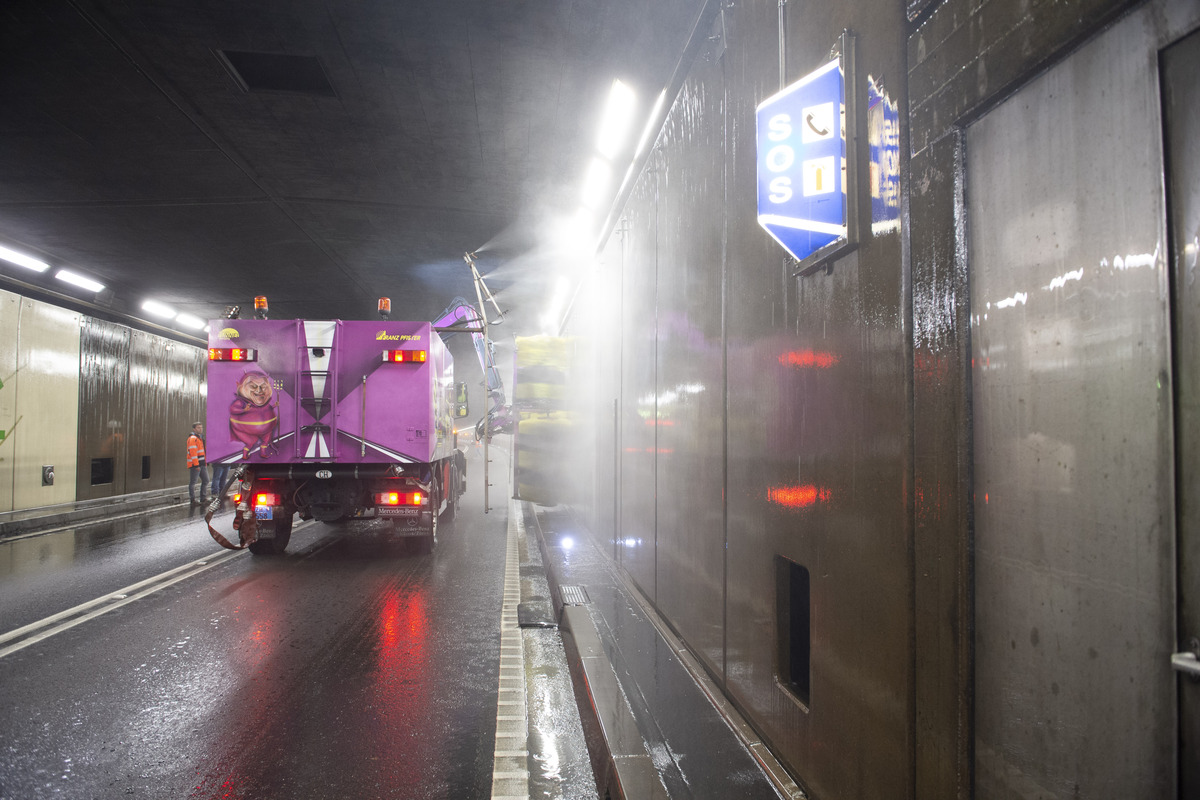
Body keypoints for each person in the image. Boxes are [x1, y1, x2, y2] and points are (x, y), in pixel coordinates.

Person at [187, 422, 208, 505]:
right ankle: (192, 500)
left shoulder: (200, 438)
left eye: (201, 427)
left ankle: (203, 498)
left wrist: (205, 462)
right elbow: (193, 452)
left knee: (206, 480)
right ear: (194, 429)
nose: (201, 429)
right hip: (195, 465)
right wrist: (196, 465)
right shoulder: (193, 439)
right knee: (193, 482)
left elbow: (202, 452)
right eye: (198, 427)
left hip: (202, 464)